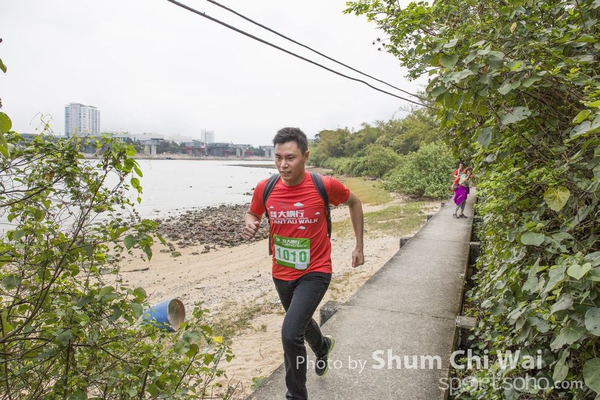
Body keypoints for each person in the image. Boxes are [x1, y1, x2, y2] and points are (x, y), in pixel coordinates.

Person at [242, 127, 365, 400]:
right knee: (300, 323)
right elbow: (252, 212)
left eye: (290, 158)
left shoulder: (325, 185)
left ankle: (296, 395)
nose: (283, 165)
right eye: (277, 158)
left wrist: (359, 245)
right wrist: (251, 223)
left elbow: (355, 203)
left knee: (289, 334)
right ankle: (322, 347)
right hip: (281, 272)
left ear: (306, 156)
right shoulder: (266, 187)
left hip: (316, 271)